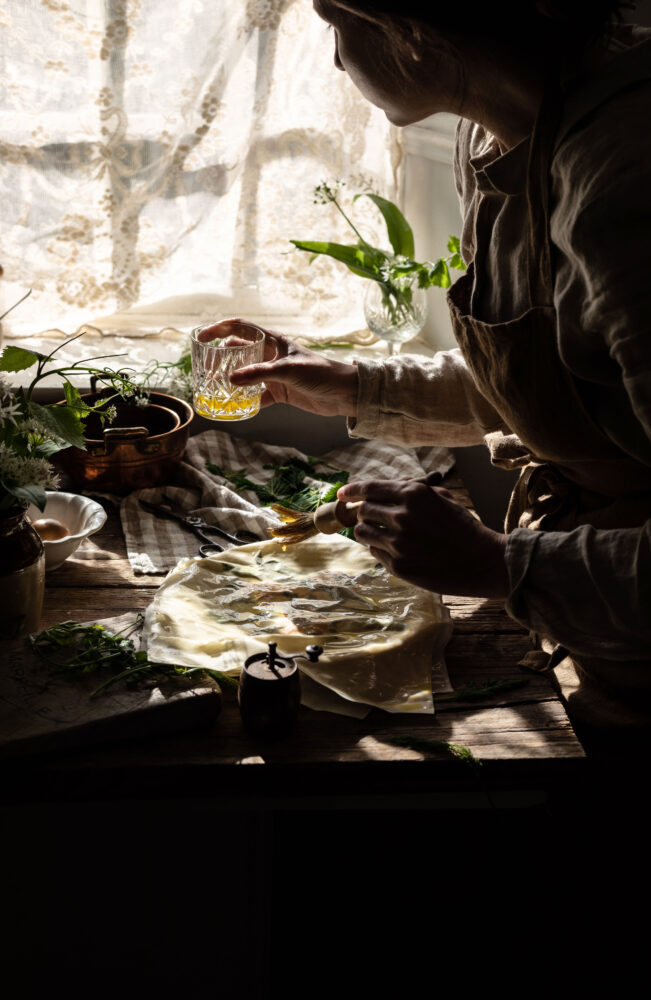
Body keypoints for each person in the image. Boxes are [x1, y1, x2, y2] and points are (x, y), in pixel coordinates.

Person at [201, 1, 651, 749]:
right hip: (594, 628)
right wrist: (353, 385)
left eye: (334, 23)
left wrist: (499, 564)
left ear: (415, 32)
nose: (337, 61)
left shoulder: (624, 187)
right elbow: (568, 383)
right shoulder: (503, 131)